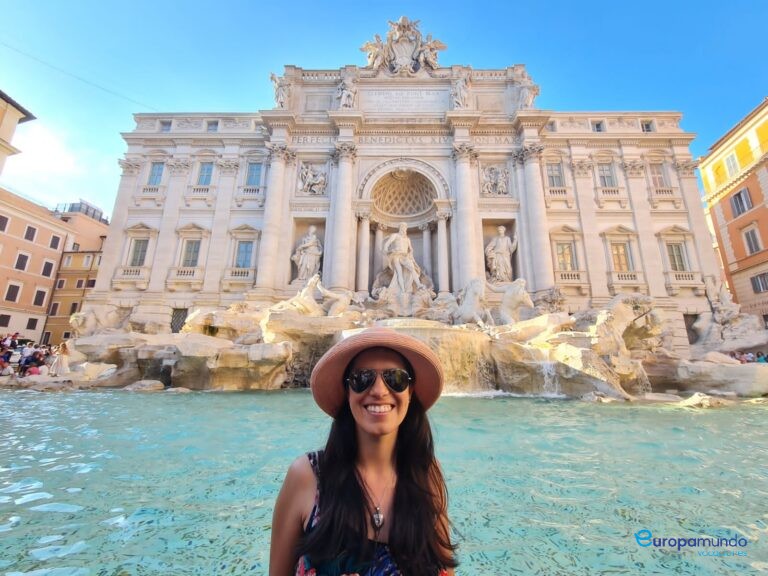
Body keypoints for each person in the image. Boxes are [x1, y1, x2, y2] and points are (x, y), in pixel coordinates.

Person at [269, 327, 457, 575]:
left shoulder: (427, 473)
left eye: (396, 378)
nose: (379, 391)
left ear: (409, 392)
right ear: (348, 392)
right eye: (362, 378)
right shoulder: (306, 475)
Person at [382, 223, 424, 294]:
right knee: (399, 273)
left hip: (405, 256)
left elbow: (410, 249)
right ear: (400, 228)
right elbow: (387, 243)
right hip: (396, 255)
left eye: (405, 228)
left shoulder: (407, 239)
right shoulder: (395, 235)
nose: (404, 229)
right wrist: (387, 249)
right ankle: (402, 291)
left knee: (412, 268)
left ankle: (418, 284)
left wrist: (411, 253)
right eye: (403, 227)